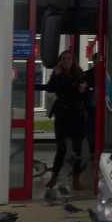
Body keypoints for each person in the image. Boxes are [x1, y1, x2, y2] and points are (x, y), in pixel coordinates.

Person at [44, 50, 88, 191]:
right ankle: (54, 177)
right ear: (60, 61)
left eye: (69, 58)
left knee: (77, 147)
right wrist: (55, 76)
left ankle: (76, 178)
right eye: (63, 59)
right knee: (61, 148)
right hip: (62, 114)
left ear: (73, 60)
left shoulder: (79, 74)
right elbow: (50, 88)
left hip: (76, 115)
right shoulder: (58, 74)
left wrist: (83, 90)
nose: (66, 61)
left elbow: (86, 92)